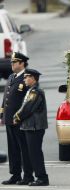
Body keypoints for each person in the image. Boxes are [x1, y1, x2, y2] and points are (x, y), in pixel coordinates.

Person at [0, 52, 33, 185]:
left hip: (20, 120)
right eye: (12, 62)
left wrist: (21, 116)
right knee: (13, 149)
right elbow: (5, 98)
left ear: (22, 64)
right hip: (9, 119)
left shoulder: (27, 78)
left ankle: (28, 175)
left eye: (15, 62)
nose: (12, 64)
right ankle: (15, 174)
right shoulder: (11, 77)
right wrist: (2, 115)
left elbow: (29, 101)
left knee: (24, 148)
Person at [13, 68, 49, 186]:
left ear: (33, 79)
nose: (24, 79)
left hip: (35, 127)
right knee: (26, 153)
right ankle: (28, 176)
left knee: (35, 153)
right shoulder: (31, 90)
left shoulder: (36, 92)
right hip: (28, 126)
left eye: (27, 77)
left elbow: (28, 108)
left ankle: (42, 178)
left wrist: (17, 116)